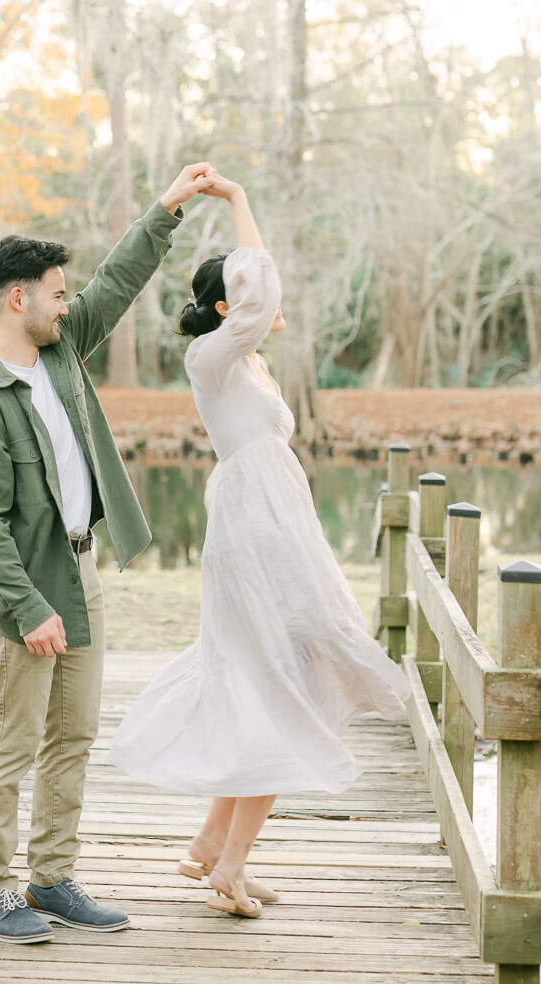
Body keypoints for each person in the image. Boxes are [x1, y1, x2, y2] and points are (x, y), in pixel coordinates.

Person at [110, 172, 411, 918]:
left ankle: (216, 845)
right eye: (252, 301)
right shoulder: (212, 356)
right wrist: (239, 199)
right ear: (225, 308)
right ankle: (229, 863)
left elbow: (258, 289)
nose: (272, 308)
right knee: (285, 681)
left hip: (277, 526)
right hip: (255, 533)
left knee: (277, 674)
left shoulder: (248, 363)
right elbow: (257, 283)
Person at [0, 164, 216, 944]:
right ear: (17, 299)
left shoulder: (61, 352)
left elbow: (121, 281)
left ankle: (52, 877)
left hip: (81, 570)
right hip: (21, 597)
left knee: (73, 736)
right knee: (12, 741)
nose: (70, 303)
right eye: (58, 293)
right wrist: (28, 609)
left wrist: (166, 208)